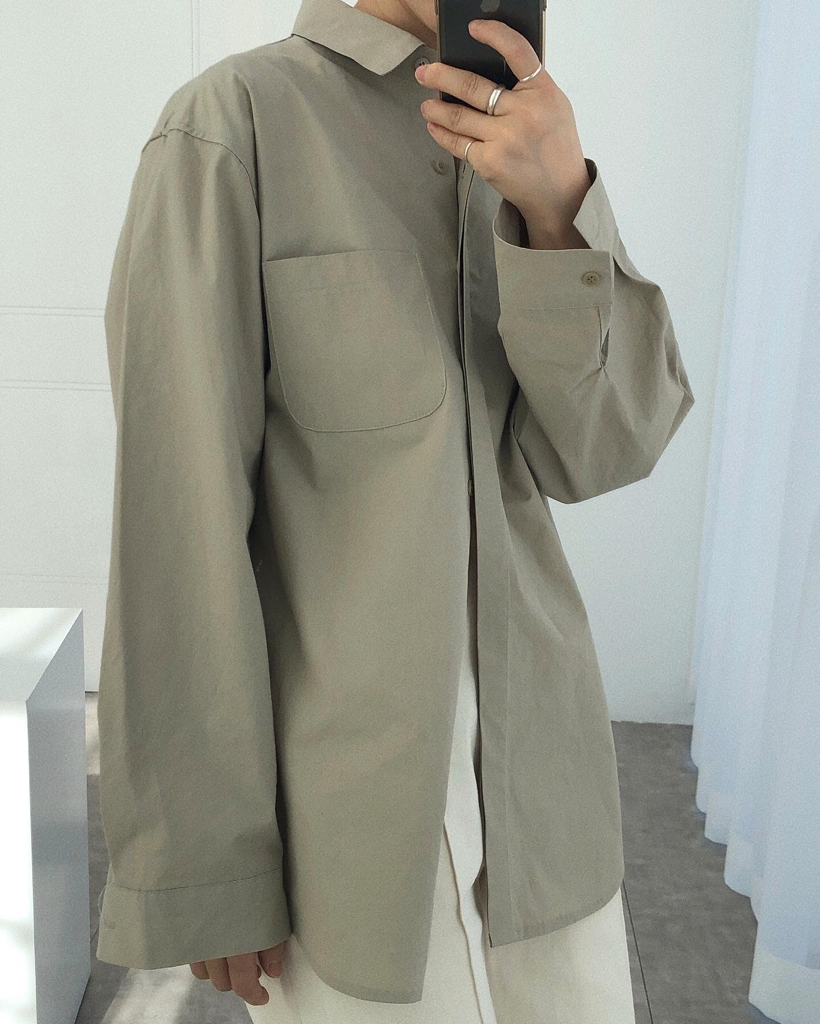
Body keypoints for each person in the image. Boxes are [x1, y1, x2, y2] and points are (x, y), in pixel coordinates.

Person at [95, 0, 694, 1020]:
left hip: (546, 794)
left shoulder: (526, 139)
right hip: (345, 826)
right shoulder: (232, 123)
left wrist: (559, 208)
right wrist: (203, 864)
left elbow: (610, 447)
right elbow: (176, 527)